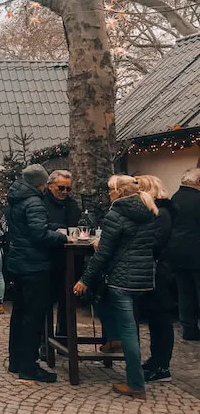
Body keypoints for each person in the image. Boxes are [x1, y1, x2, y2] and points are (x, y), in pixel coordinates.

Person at [74, 175, 158, 399]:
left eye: (110, 190)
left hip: (121, 279)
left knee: (128, 332)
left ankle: (135, 384)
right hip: (143, 278)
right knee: (133, 329)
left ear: (119, 192)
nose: (108, 194)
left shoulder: (117, 213)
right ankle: (134, 375)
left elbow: (103, 254)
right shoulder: (149, 210)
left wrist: (85, 280)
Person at [7, 164, 67, 383]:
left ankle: (15, 360)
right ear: (41, 183)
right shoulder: (33, 201)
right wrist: (63, 237)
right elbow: (39, 236)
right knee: (34, 316)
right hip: (34, 266)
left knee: (20, 313)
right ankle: (29, 367)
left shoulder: (16, 198)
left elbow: (25, 229)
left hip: (18, 263)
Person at [136, 175, 178, 383]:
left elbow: (156, 243)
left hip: (161, 273)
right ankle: (156, 361)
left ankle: (162, 366)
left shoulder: (161, 213)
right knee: (155, 319)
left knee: (161, 319)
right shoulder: (156, 213)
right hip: (155, 271)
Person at [42, 170, 82, 337]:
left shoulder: (71, 204)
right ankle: (45, 340)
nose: (65, 192)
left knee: (67, 302)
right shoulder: (42, 203)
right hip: (48, 258)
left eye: (68, 189)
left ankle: (64, 337)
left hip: (69, 260)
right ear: (50, 186)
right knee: (46, 303)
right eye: (61, 188)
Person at [166, 168, 200, 341]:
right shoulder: (198, 199)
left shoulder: (176, 197)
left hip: (177, 253)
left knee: (185, 292)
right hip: (196, 253)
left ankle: (189, 328)